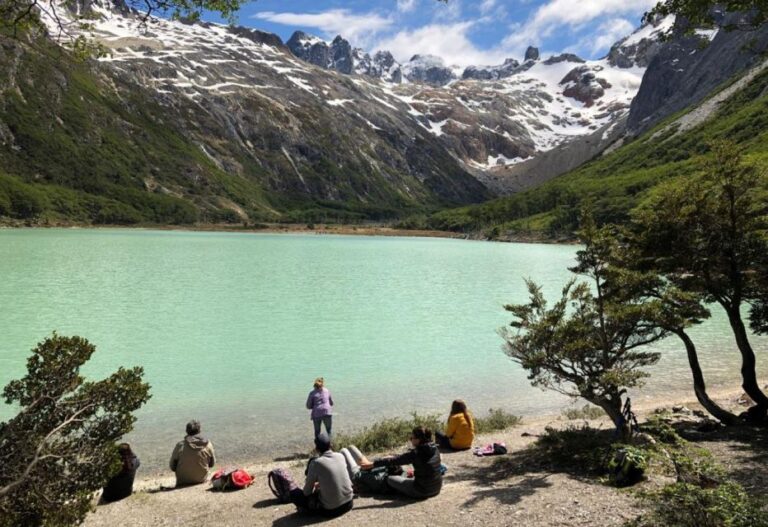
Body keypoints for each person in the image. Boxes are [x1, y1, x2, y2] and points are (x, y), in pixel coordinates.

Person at [360, 426, 443, 499]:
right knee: (405, 474)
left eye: (412, 438)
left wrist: (373, 464)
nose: (410, 440)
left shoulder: (416, 453)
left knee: (390, 479)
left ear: (419, 440)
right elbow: (401, 458)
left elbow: (394, 461)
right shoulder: (434, 448)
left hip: (421, 491)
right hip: (436, 488)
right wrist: (391, 457)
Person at [290, 432, 353, 518]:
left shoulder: (316, 463)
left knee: (294, 493)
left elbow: (306, 492)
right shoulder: (340, 456)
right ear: (331, 445)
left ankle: (309, 510)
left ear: (316, 449)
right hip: (349, 503)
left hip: (332, 510)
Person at [169, 420, 216, 486]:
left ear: (186, 431)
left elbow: (172, 467)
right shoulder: (207, 444)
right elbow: (212, 464)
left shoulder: (180, 445)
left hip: (183, 481)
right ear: (199, 431)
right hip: (201, 479)